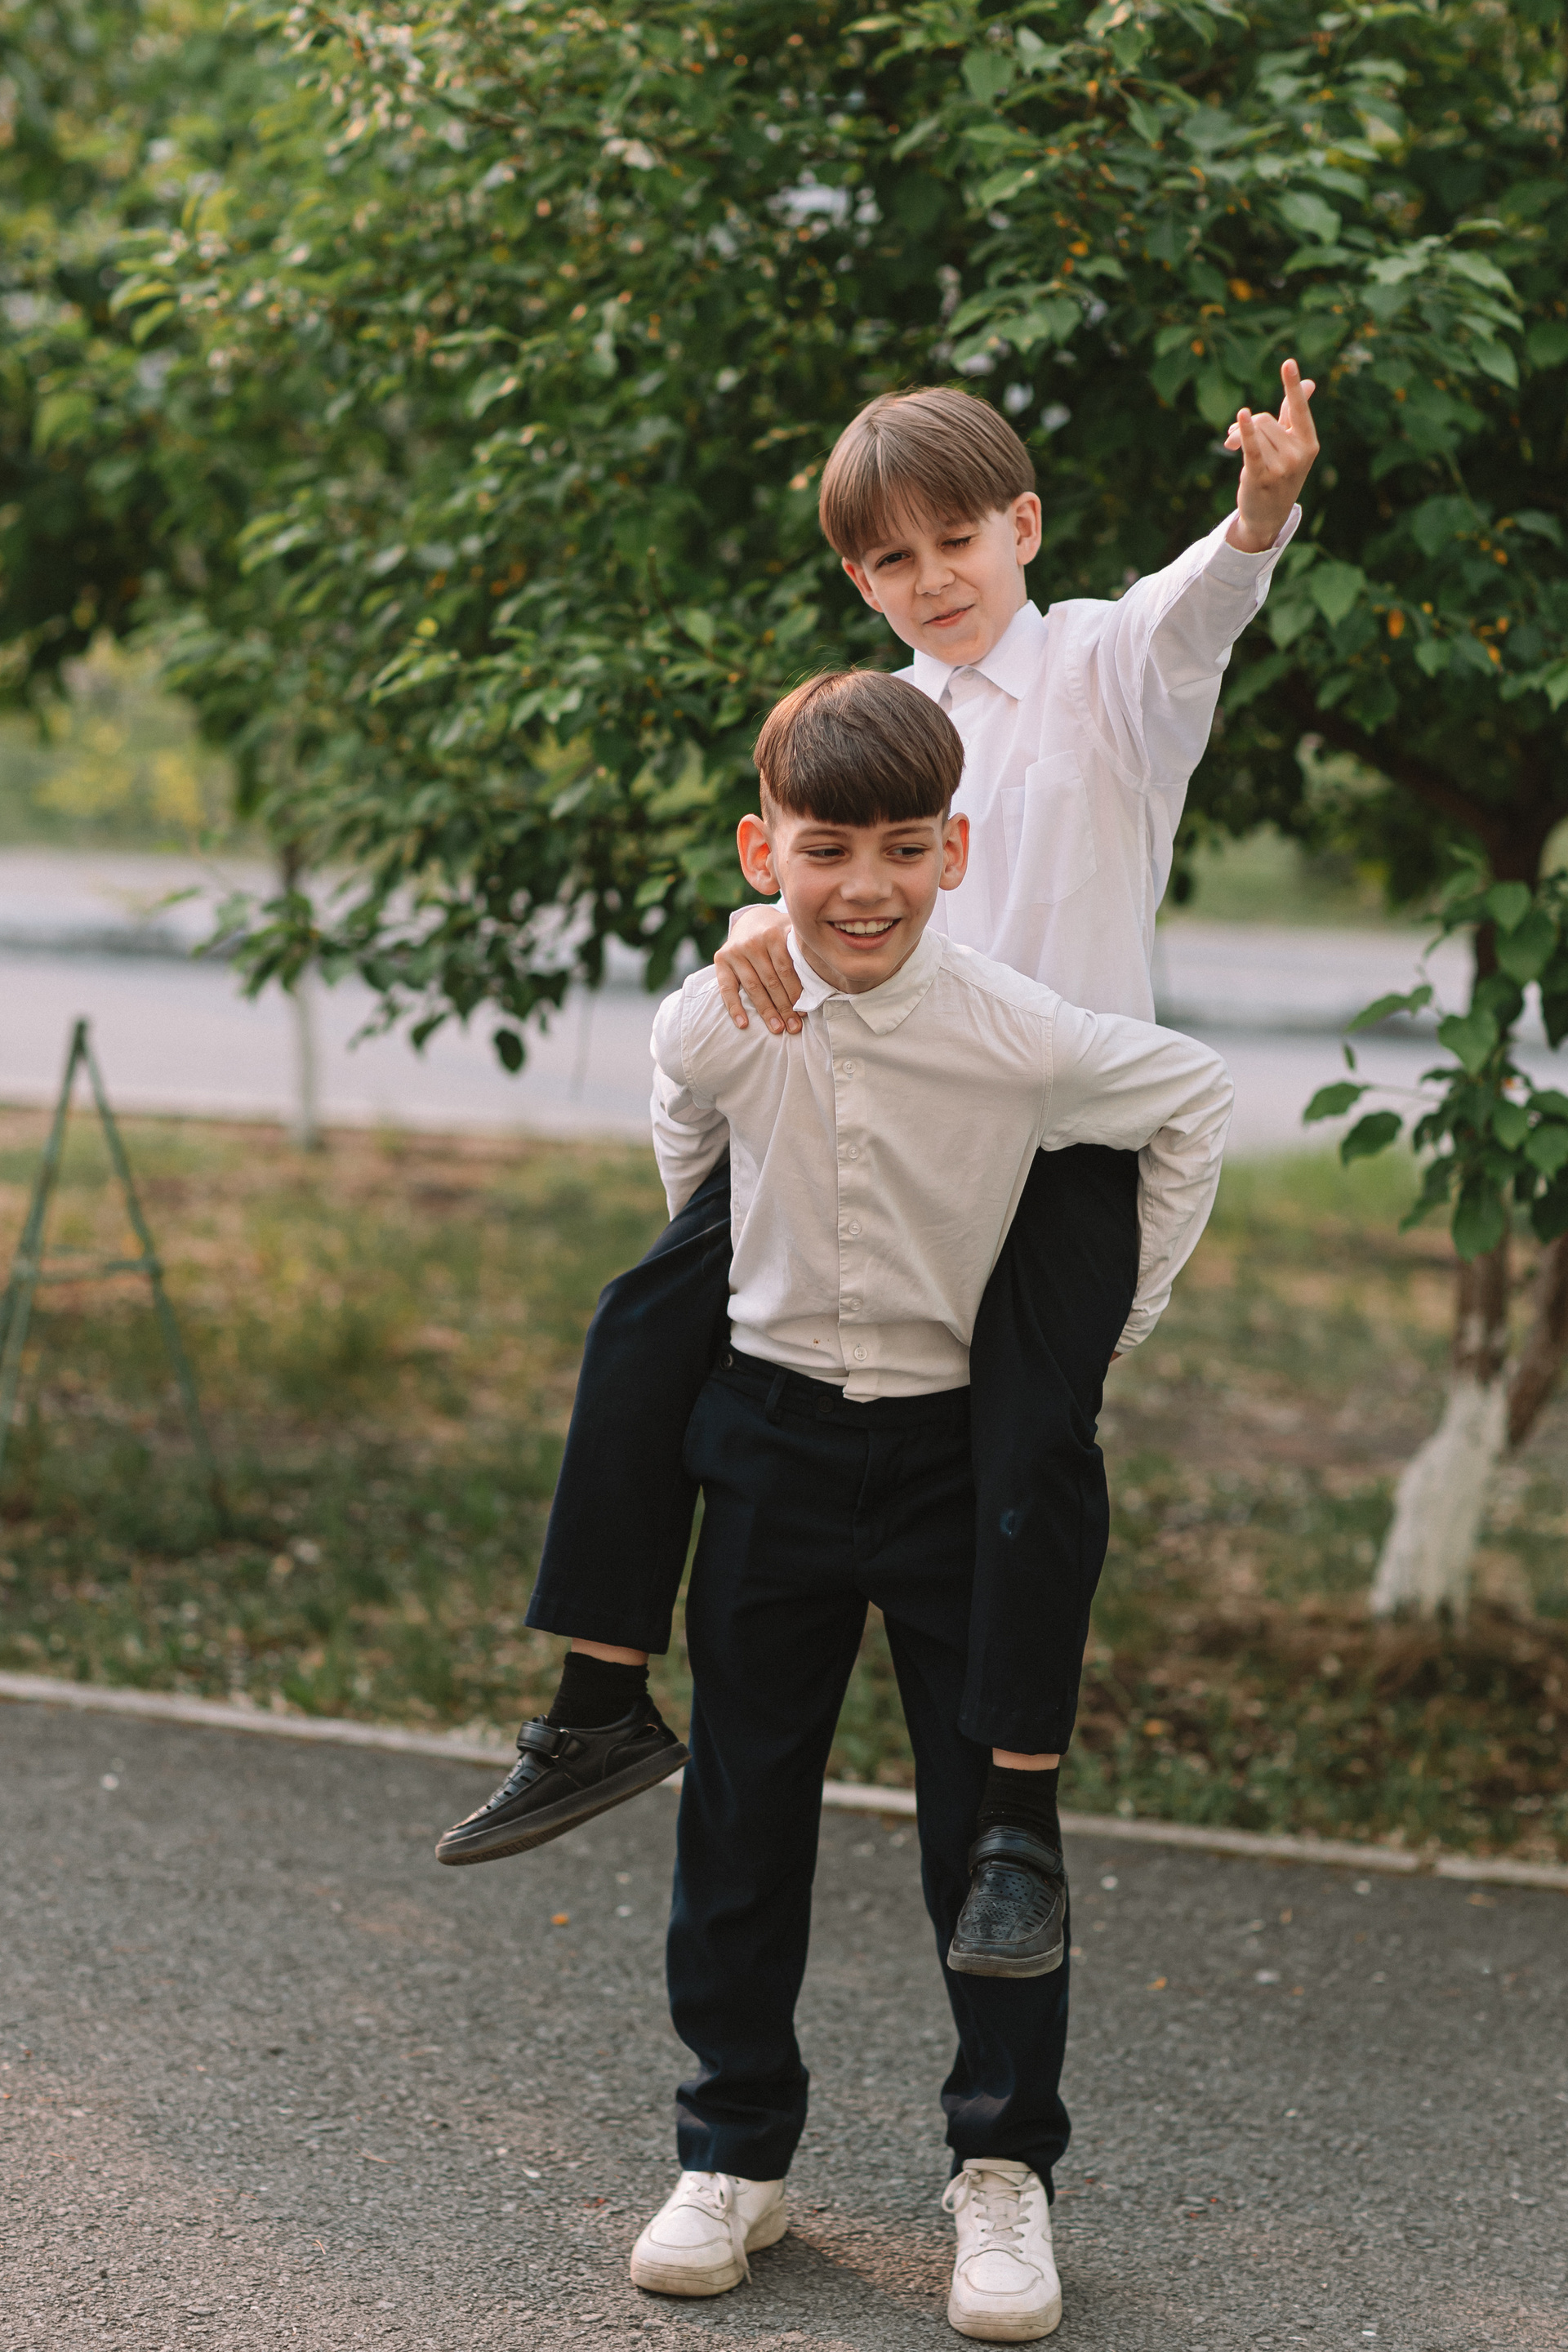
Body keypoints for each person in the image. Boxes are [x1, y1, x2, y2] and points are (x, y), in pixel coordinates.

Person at [435, 364, 1317, 1970]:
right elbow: (811, 861)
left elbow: (1203, 609)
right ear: (860, 579)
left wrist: (1260, 511)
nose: (934, 579)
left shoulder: (1109, 666)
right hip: (872, 1119)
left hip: (1058, 1137)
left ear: (1022, 527)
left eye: (957, 540)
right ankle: (597, 1700)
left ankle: (1017, 1826)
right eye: (894, 559)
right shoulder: (885, 721)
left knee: (1035, 1438)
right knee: (644, 1319)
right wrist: (748, 931)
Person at [614, 669, 1231, 2337]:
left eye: (904, 847)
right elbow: (687, 1142)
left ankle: (1003, 2169)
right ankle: (733, 2152)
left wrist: (1102, 1329)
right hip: (770, 1441)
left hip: (963, 1461)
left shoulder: (1019, 1033)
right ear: (766, 852)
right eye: (826, 851)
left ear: (955, 852)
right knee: (743, 1806)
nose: (866, 886)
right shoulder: (716, 1011)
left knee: (990, 1821)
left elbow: (1194, 1099)